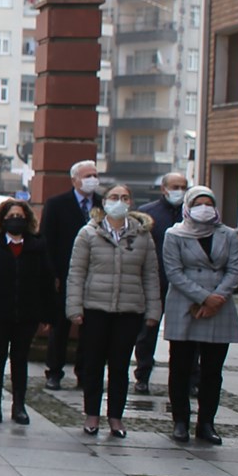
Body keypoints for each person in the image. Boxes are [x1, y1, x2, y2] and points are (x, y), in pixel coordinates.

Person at [65, 181, 161, 439]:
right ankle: (92, 414)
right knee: (93, 363)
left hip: (129, 309)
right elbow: (76, 273)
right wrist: (74, 307)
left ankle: (116, 416)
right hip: (96, 307)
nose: (119, 201)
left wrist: (153, 311)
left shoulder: (142, 235)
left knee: (119, 366)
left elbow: (151, 275)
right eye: (114, 197)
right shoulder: (89, 233)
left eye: (125, 197)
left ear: (131, 203)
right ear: (104, 202)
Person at [161, 185, 238, 446]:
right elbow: (173, 272)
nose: (204, 208)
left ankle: (206, 422)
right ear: (188, 206)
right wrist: (203, 297)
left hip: (220, 305)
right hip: (185, 304)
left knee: (212, 369)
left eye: (208, 203)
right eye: (198, 203)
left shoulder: (227, 234)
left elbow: (234, 270)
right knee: (181, 366)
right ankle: (180, 420)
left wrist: (218, 298)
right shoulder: (174, 234)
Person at [0, 197, 48, 424]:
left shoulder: (36, 246)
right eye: (11, 217)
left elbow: (44, 281)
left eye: (19, 217)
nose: (15, 220)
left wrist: (45, 313)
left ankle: (19, 404)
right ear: (2, 220)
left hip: (26, 313)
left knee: (20, 359)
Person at [41, 160, 102, 389]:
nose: (92, 179)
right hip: (65, 274)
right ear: (75, 179)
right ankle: (54, 371)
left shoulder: (102, 204)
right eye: (87, 175)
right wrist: (52, 274)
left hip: (95, 275)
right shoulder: (57, 204)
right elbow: (47, 240)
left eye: (95, 175)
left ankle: (84, 371)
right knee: (61, 325)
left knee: (91, 328)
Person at [132, 170, 187, 395]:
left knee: (185, 334)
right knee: (147, 332)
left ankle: (188, 377)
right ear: (164, 189)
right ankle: (142, 375)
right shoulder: (148, 214)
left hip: (184, 285)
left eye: (183, 187)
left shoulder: (191, 213)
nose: (179, 191)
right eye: (175, 187)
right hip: (156, 282)